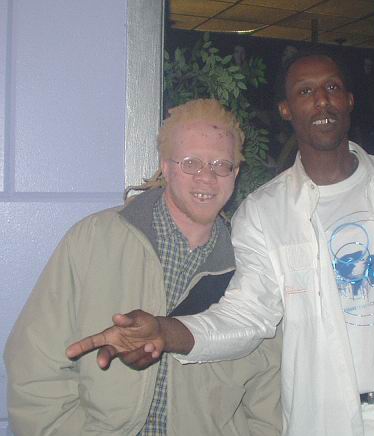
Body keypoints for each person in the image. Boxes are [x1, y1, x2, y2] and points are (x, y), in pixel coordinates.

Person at [66, 50, 374, 436]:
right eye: (305, 91)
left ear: (349, 100)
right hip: (321, 419)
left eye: (331, 87)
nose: (321, 99)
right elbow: (247, 317)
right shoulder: (264, 212)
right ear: (287, 109)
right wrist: (166, 332)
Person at [4, 99, 282, 436]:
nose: (206, 177)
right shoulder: (94, 240)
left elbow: (268, 393)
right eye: (191, 163)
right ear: (166, 167)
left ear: (235, 174)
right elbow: (34, 364)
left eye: (221, 165)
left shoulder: (251, 266)